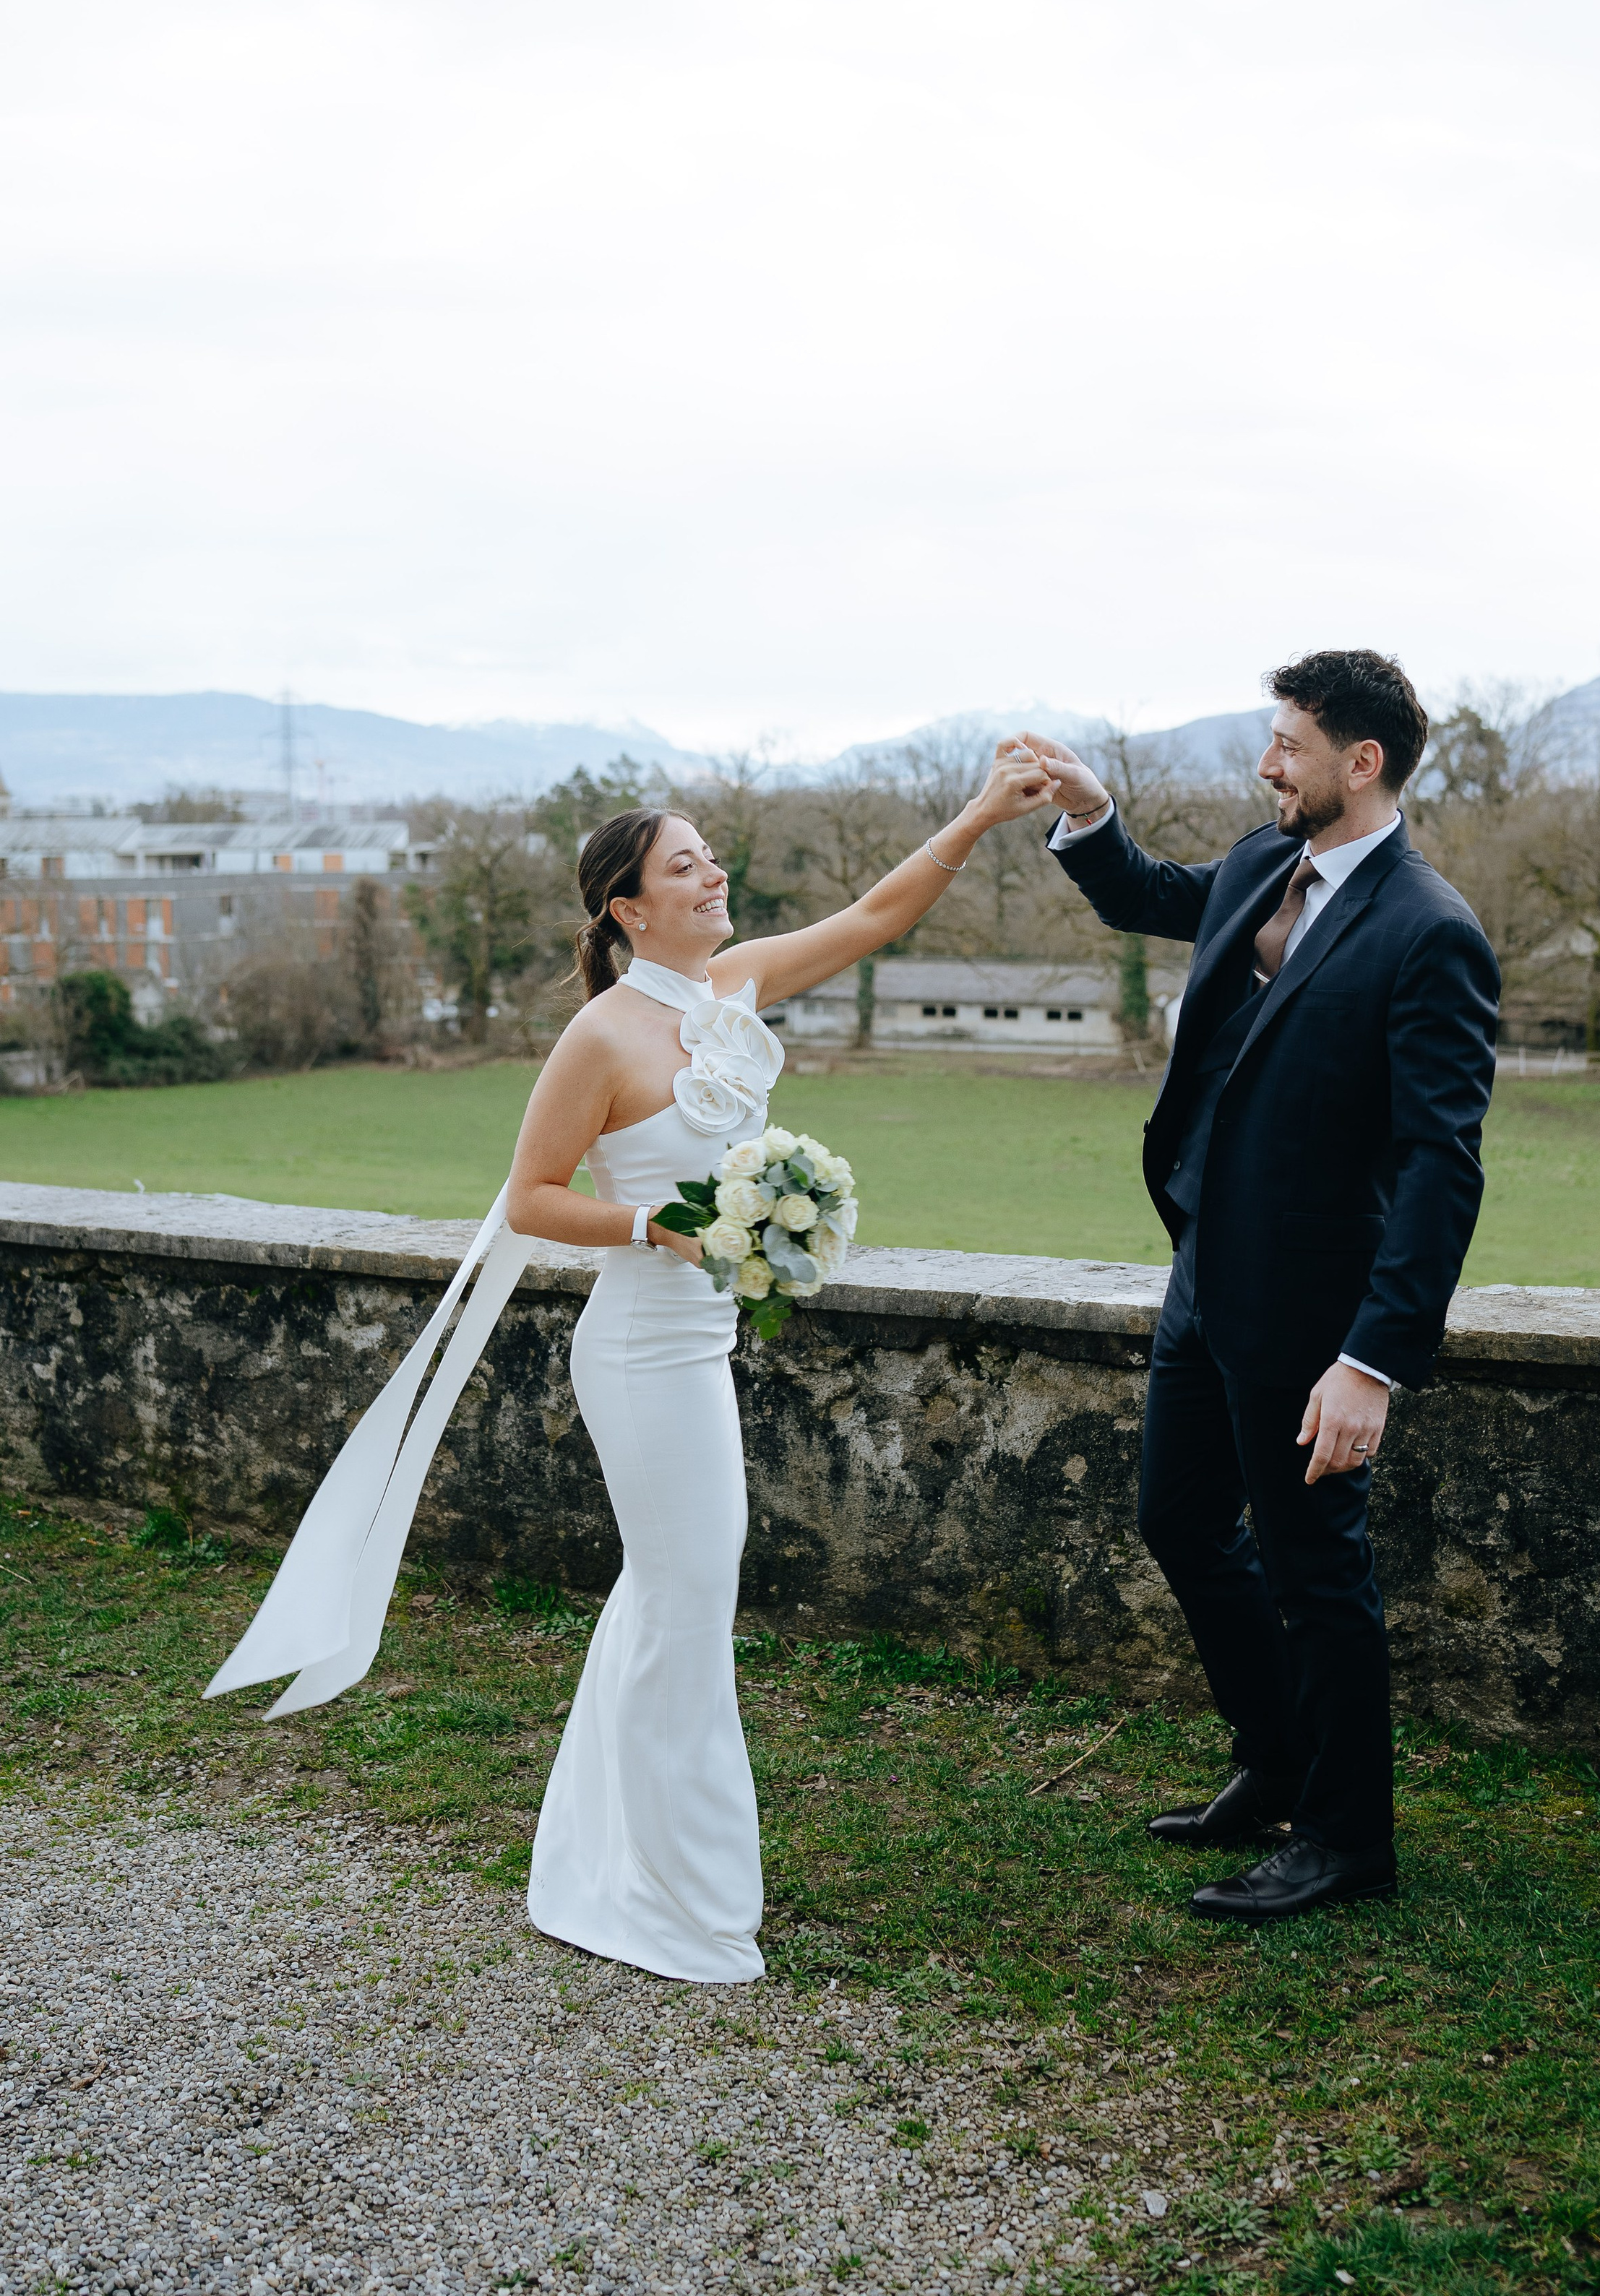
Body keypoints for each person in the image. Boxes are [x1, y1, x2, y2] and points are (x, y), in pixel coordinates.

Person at [207, 742, 1054, 1985]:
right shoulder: (601, 1037)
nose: (715, 875)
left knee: (668, 1597)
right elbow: (533, 1199)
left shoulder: (735, 989)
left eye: (712, 856)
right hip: (640, 1355)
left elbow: (878, 914)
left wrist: (983, 810)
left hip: (701, 1347)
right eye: (687, 864)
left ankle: (611, 1859)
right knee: (687, 1602)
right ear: (628, 906)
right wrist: (652, 1224)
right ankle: (680, 1896)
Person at [1022, 649, 1500, 1925]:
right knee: (1178, 1520)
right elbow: (1144, 893)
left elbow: (1439, 1167)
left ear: (1363, 763)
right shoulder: (1255, 860)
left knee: (1316, 1575)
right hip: (1202, 1274)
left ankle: (1348, 1842)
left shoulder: (1431, 933)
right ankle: (1277, 1760)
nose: (1265, 763)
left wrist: (1373, 1360)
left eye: (1287, 744)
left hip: (1313, 1312)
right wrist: (1084, 811)